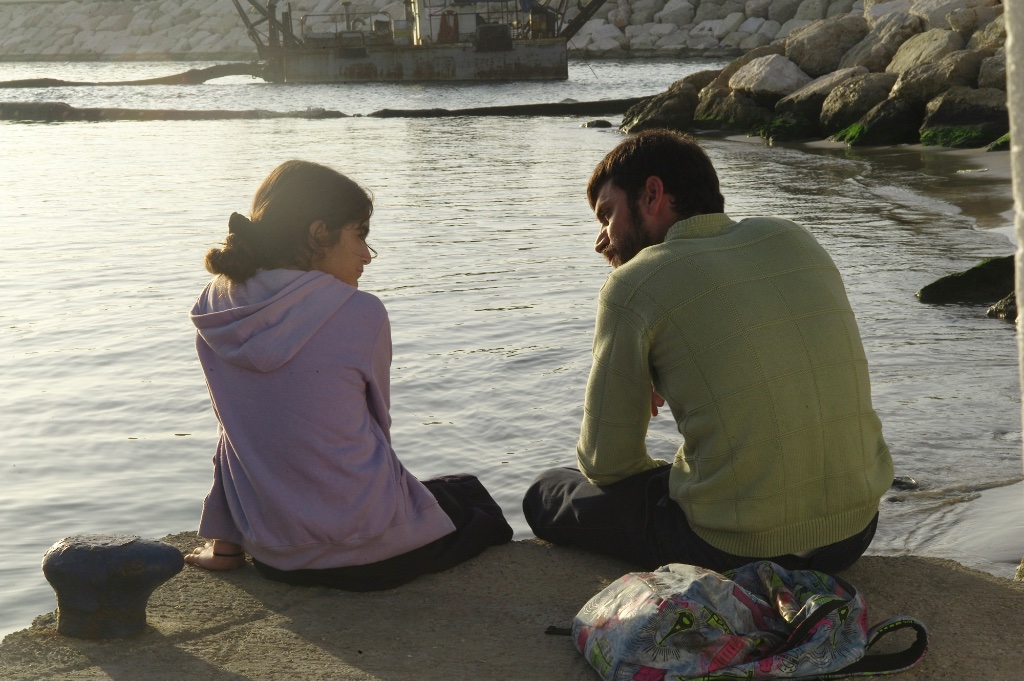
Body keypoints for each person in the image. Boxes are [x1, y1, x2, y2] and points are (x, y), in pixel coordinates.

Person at [523, 130, 893, 574]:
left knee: (547, 492)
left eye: (607, 216)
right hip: (853, 531)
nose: (602, 240)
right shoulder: (794, 238)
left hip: (736, 547)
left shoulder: (634, 285)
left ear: (652, 194)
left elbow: (606, 465)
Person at [185, 160, 512, 590]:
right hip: (373, 554)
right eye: (359, 235)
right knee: (471, 497)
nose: (366, 256)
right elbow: (378, 429)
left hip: (277, 557)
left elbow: (235, 434)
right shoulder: (361, 312)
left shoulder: (215, 305)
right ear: (319, 233)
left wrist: (226, 545)